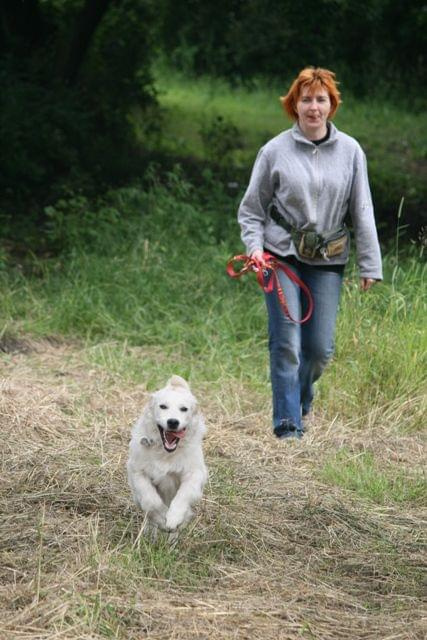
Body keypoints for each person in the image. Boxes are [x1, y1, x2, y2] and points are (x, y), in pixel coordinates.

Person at [237, 67, 382, 440]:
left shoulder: (350, 151)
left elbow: (362, 209)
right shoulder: (273, 151)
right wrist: (255, 250)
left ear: (331, 105)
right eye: (306, 100)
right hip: (279, 255)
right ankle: (287, 426)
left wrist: (370, 263)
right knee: (286, 342)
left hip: (328, 260)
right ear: (294, 105)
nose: (313, 107)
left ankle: (301, 400)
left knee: (318, 350)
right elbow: (252, 209)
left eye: (321, 99)